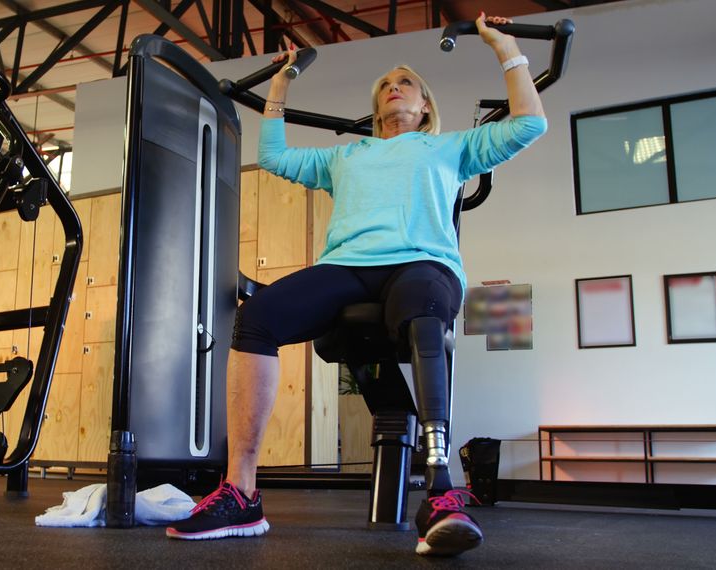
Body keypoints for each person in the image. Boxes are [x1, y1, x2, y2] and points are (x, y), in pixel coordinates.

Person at [166, 12, 546, 556]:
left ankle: (440, 489)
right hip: (348, 267)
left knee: (420, 308)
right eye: (386, 86)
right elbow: (273, 155)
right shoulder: (348, 155)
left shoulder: (451, 147)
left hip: (422, 265)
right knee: (257, 318)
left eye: (405, 83)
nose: (394, 88)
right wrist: (281, 81)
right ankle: (241, 491)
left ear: (424, 107)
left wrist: (505, 46)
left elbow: (530, 125)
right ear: (377, 109)